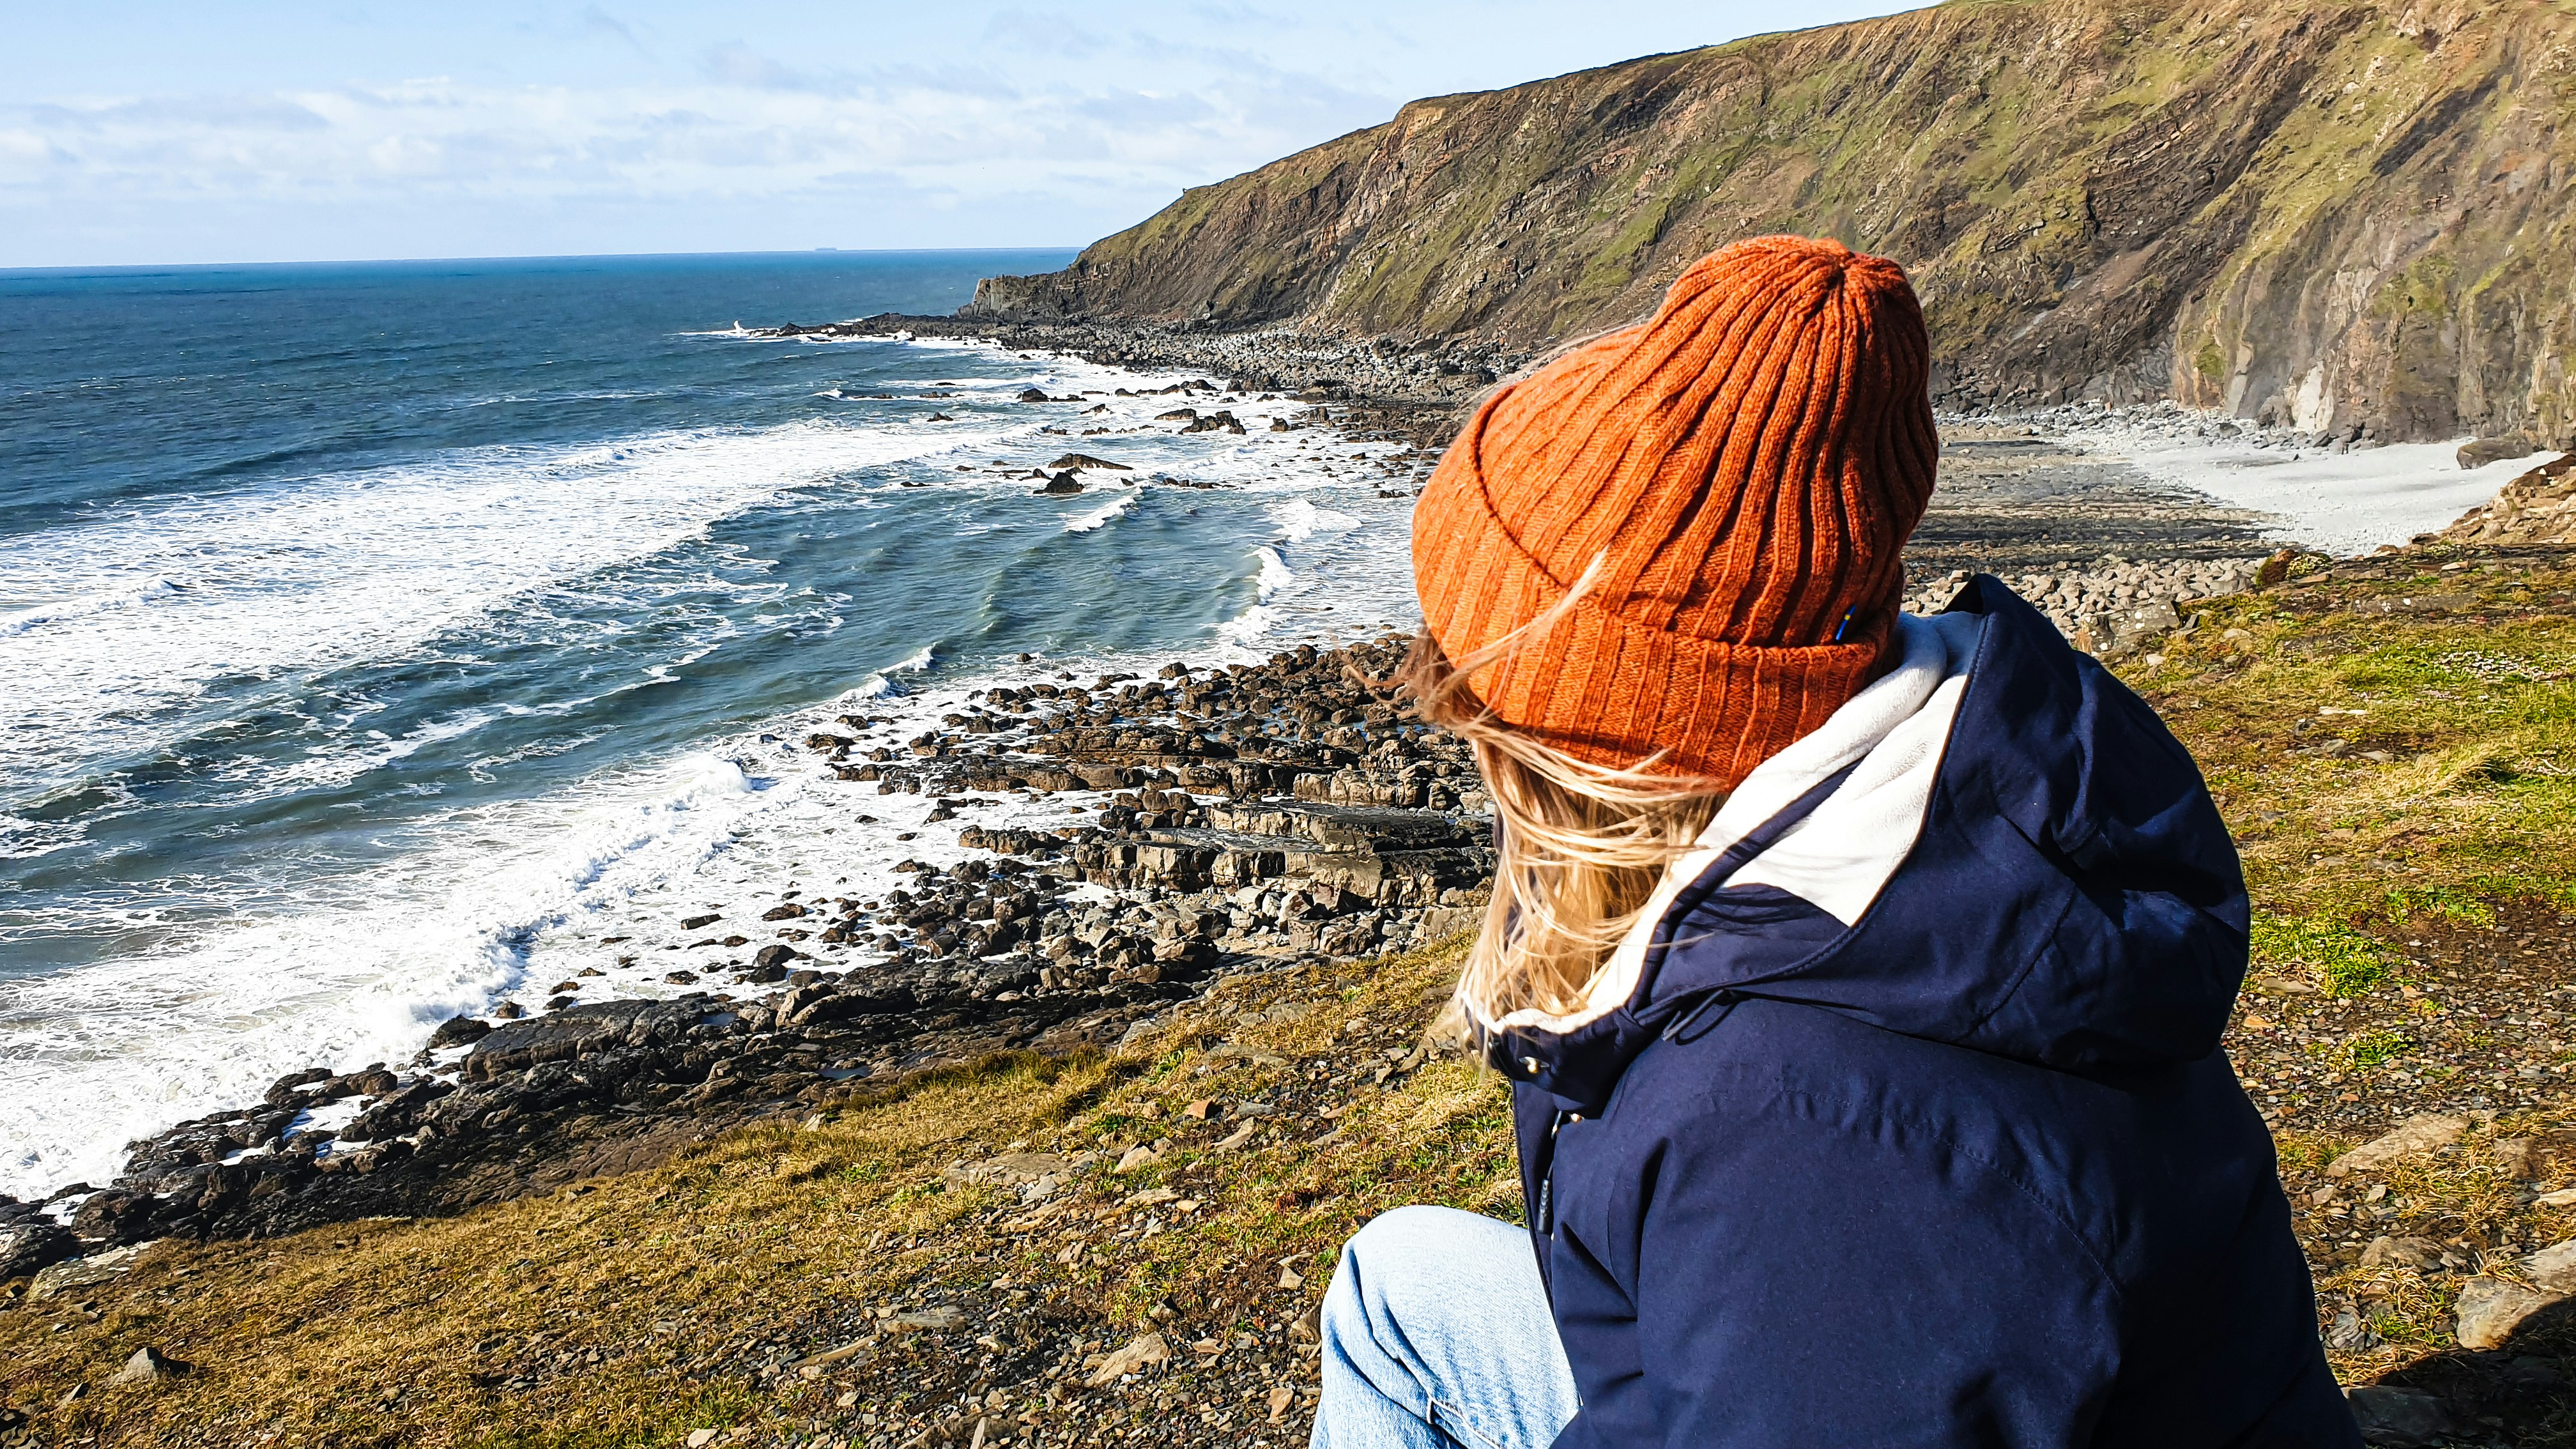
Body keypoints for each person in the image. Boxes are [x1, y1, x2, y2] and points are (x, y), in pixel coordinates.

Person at [1311, 236, 2359, 1448]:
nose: (1432, 686)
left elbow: (1829, 1278)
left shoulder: (1801, 1131)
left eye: (1467, 669)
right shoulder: (1976, 789)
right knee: (1396, 1287)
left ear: (1610, 729)